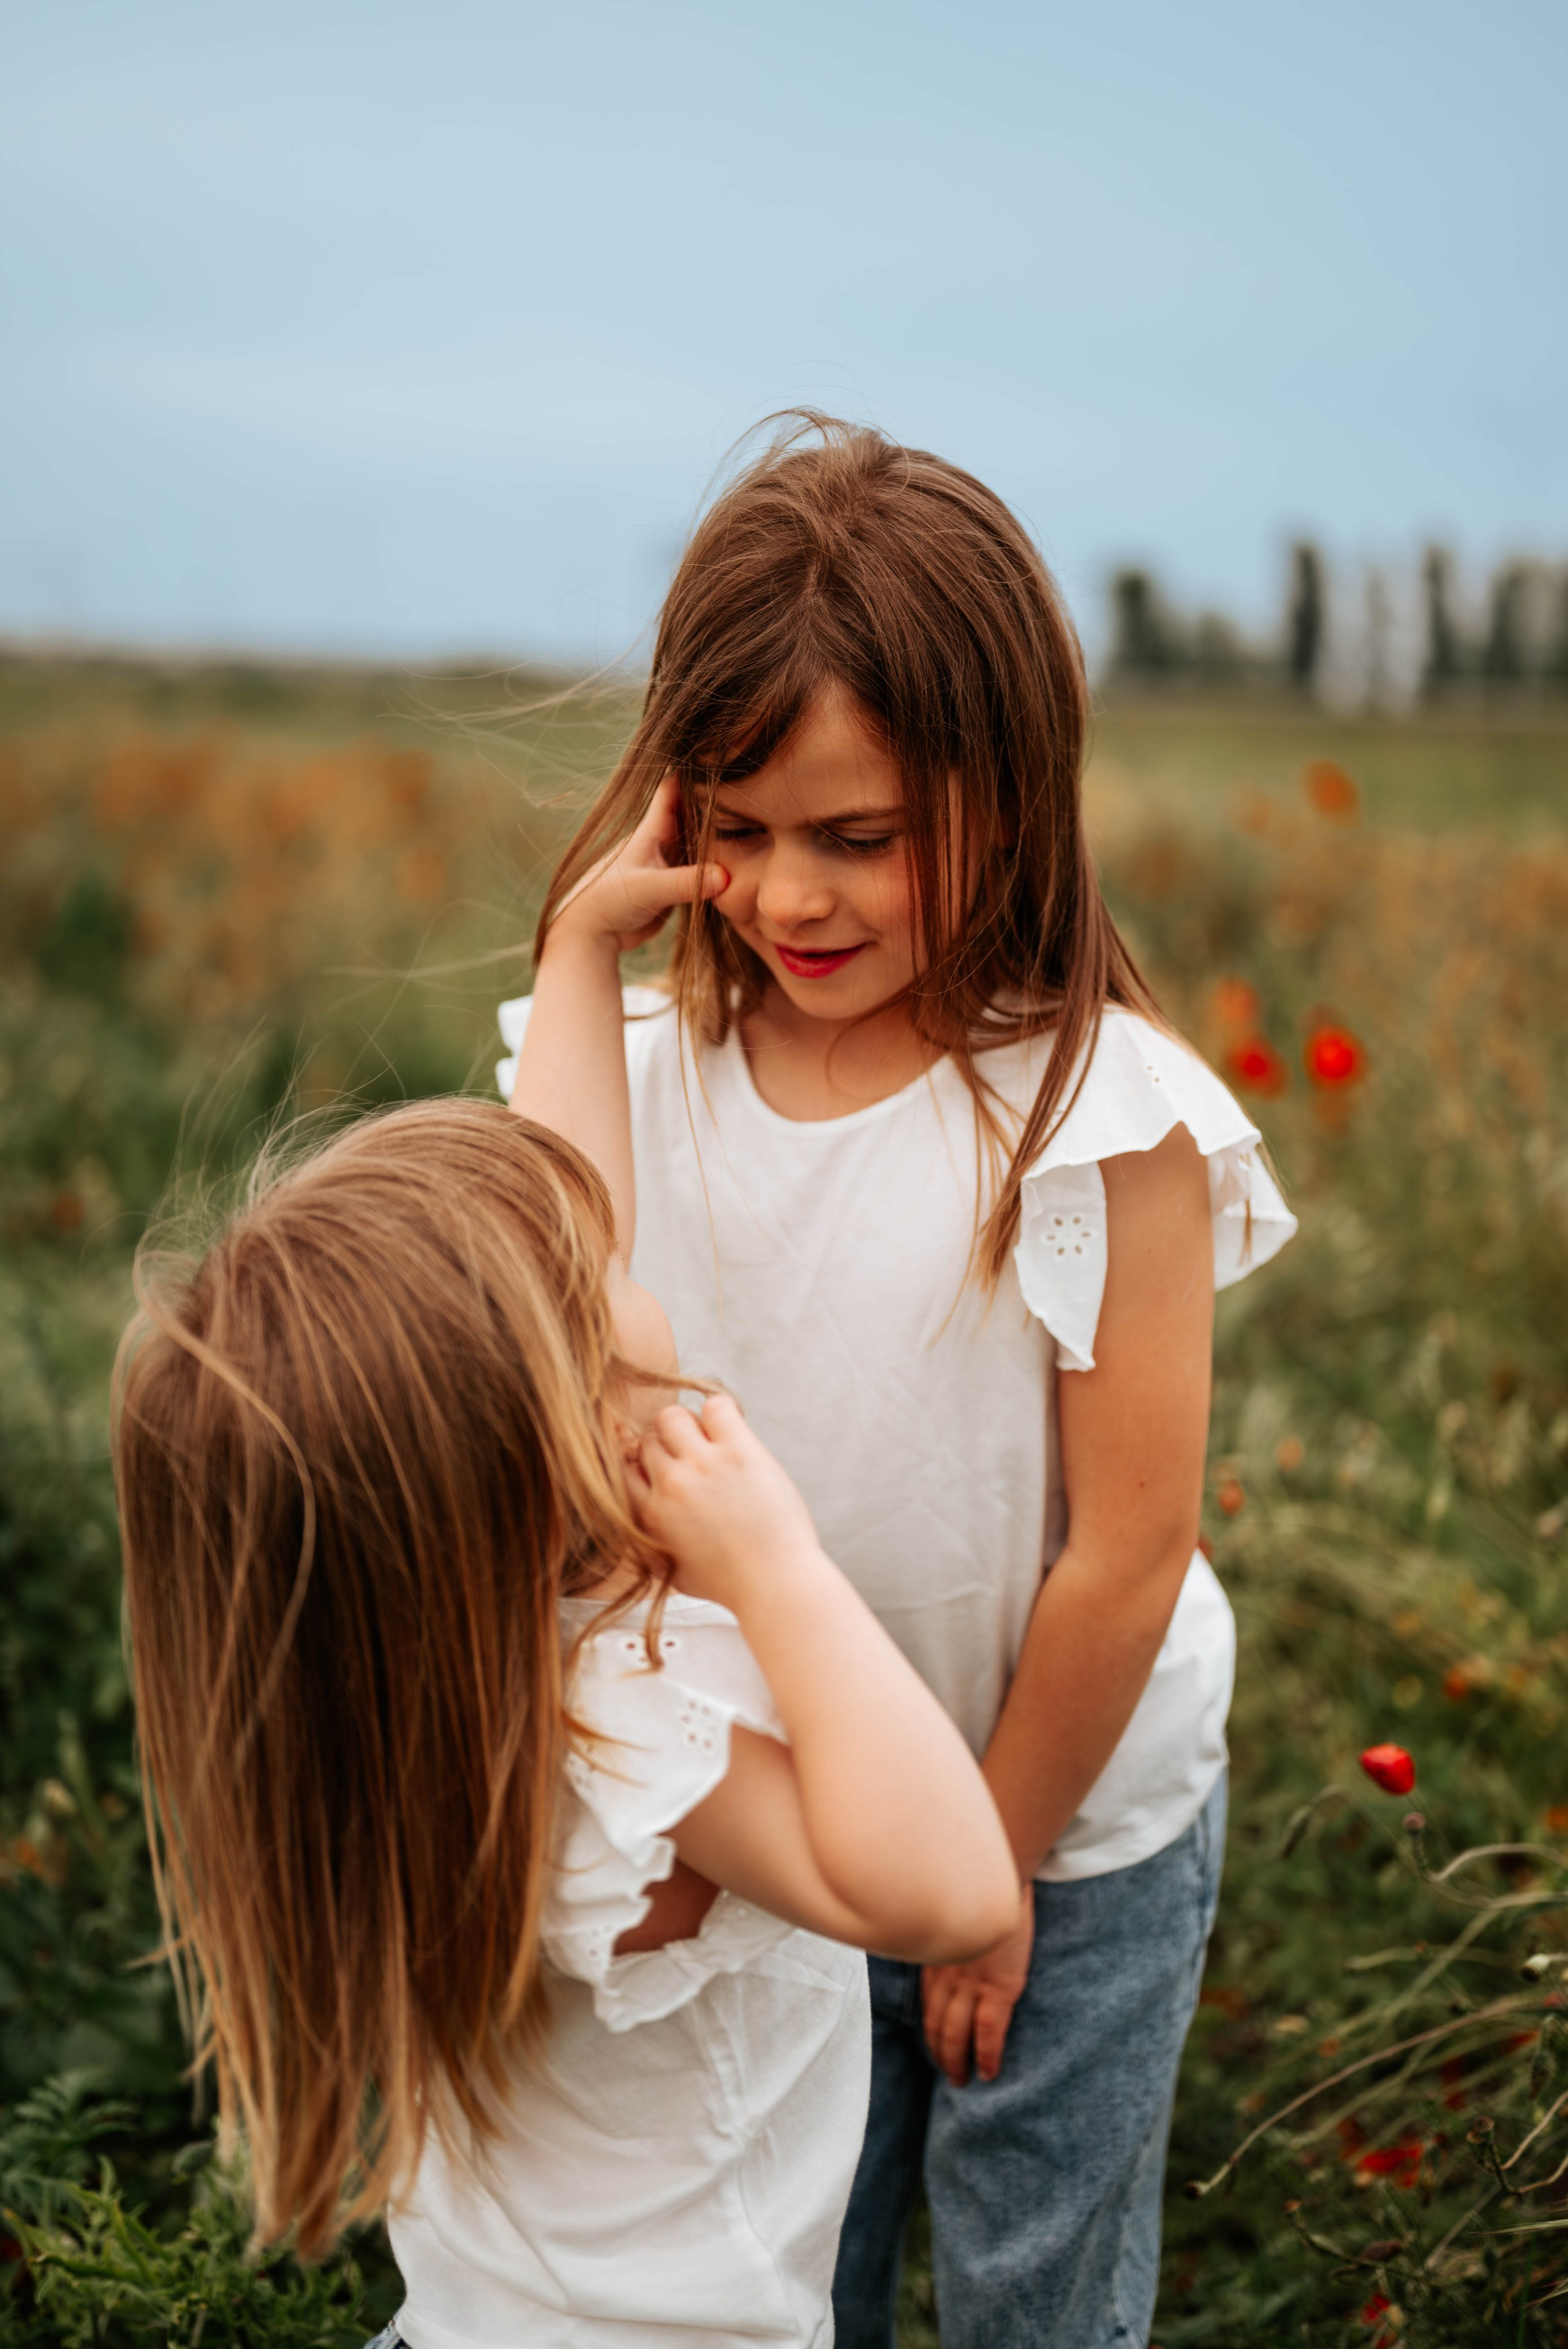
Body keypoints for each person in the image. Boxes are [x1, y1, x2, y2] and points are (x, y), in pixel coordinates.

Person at [497, 414, 1297, 2349]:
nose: (791, 897)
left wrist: (997, 1865)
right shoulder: (643, 1075)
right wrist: (583, 930)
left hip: (1070, 1817)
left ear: (1009, 796)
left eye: (860, 837)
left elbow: (1124, 1553)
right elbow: (555, 1289)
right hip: (796, 1812)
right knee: (793, 2280)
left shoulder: (1094, 1117)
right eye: (742, 827)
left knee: (1035, 2281)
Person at [112, 1099, 1020, 2333]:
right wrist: (780, 1569)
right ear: (561, 1419)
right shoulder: (630, 1738)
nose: (641, 1273)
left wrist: (587, 955)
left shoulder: (430, 1695)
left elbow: (559, 1187)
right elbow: (954, 1893)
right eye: (613, 1273)